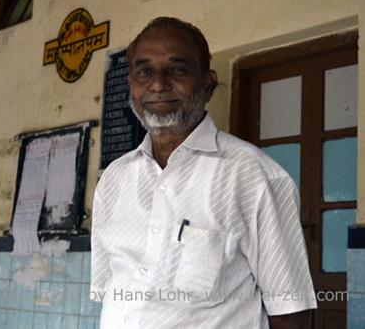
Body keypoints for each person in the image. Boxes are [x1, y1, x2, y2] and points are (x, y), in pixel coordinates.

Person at [91, 17, 317, 329]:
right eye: (144, 71)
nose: (158, 83)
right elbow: (110, 292)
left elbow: (292, 314)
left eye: (177, 69)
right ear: (131, 84)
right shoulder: (114, 180)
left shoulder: (254, 176)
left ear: (207, 84)